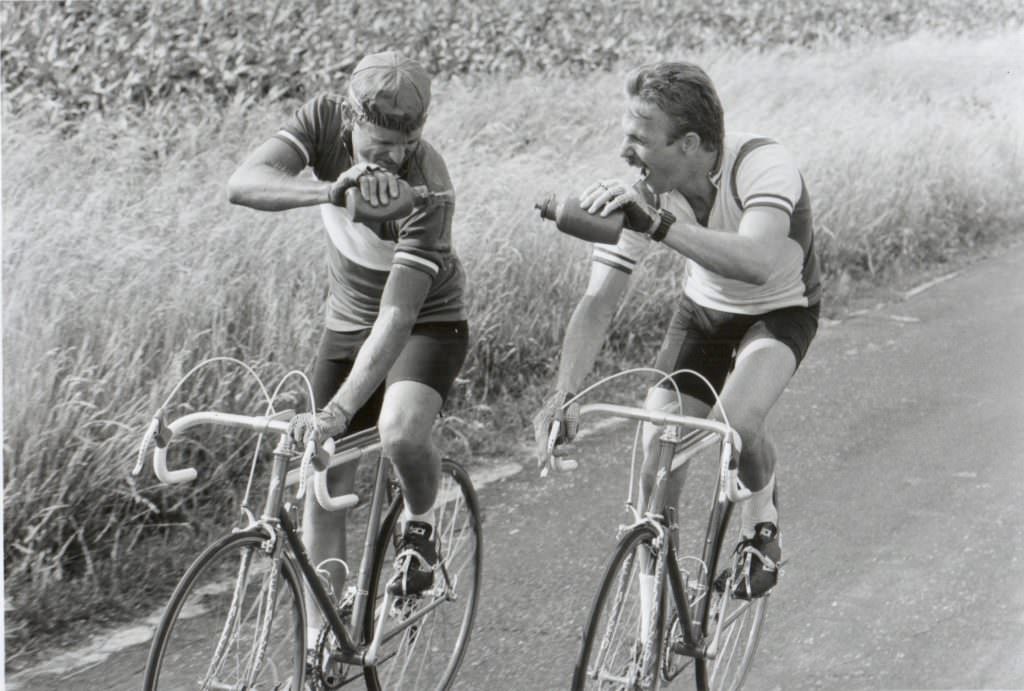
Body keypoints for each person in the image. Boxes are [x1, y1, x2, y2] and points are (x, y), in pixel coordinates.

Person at [533, 61, 820, 599]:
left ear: (689, 143)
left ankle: (761, 526)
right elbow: (598, 302)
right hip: (705, 312)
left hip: (779, 309)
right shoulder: (644, 194)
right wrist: (563, 393)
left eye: (639, 140)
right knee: (655, 456)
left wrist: (659, 224)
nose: (624, 153)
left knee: (736, 421)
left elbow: (757, 261)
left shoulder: (761, 165)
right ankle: (653, 622)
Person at [227, 51, 468, 645]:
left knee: (401, 432)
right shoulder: (322, 120)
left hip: (427, 323)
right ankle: (321, 646)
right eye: (375, 144)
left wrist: (337, 411)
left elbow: (397, 315)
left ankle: (420, 523)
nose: (388, 158)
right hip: (346, 323)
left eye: (401, 145)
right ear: (351, 121)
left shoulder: (428, 189)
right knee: (323, 485)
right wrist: (330, 192)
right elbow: (243, 184)